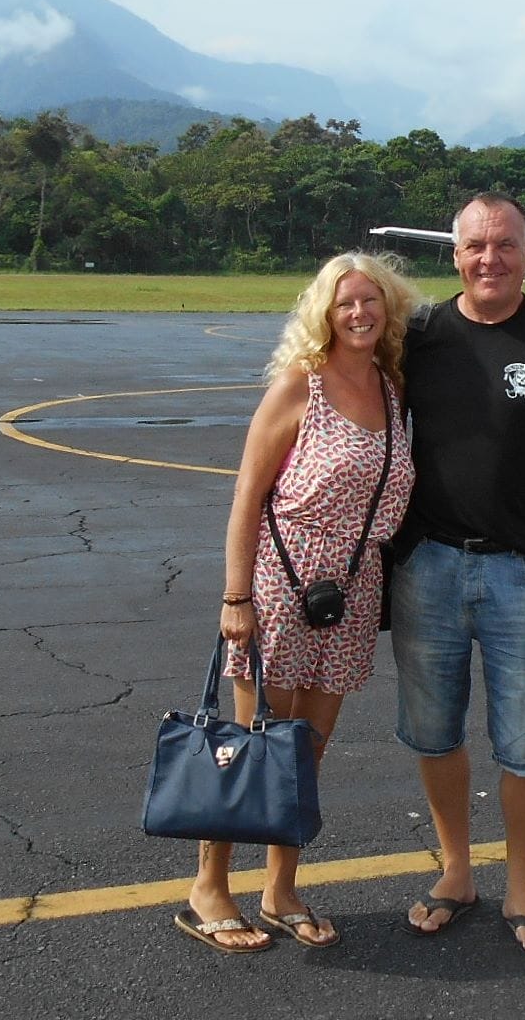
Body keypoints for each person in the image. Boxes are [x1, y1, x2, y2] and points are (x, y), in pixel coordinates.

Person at [391, 192, 525, 960]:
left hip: (523, 573)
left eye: (506, 244)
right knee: (433, 731)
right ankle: (457, 868)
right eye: (475, 245)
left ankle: (520, 879)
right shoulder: (415, 335)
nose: (490, 258)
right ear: (453, 254)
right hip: (425, 565)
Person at [179, 252, 421, 954]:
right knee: (255, 749)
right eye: (345, 302)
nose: (359, 313)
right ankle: (208, 889)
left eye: (370, 300)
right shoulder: (299, 387)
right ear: (323, 311)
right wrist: (235, 598)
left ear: (388, 307)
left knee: (307, 751)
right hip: (285, 581)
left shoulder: (392, 389)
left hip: (352, 588)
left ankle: (281, 889)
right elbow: (247, 496)